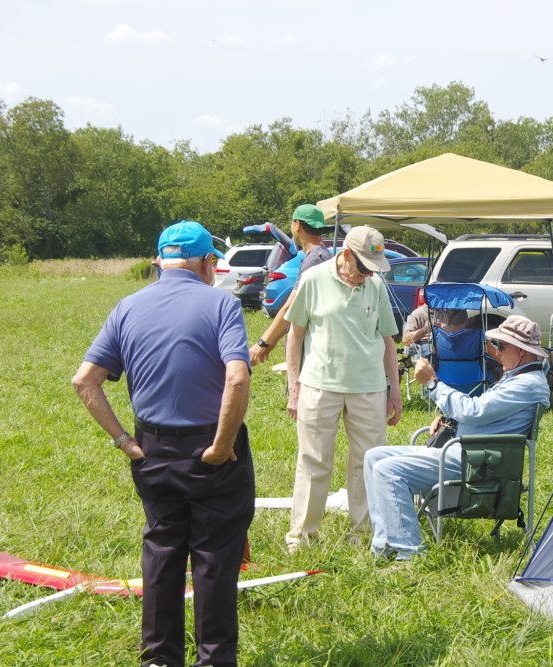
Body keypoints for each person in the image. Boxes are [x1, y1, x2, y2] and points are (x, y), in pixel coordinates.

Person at [72, 221, 254, 667]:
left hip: (150, 449)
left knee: (162, 552)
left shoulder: (128, 306)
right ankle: (213, 660)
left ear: (159, 260)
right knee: (214, 557)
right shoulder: (220, 304)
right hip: (212, 450)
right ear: (208, 262)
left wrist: (123, 441)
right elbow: (237, 375)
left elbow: (84, 381)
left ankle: (158, 658)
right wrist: (219, 446)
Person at [364, 315, 551, 561]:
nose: (495, 351)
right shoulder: (518, 378)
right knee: (373, 455)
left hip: (476, 462)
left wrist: (433, 385)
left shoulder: (526, 384)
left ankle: (409, 552)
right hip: (468, 453)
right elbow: (484, 415)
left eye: (500, 346)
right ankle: (385, 543)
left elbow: (474, 411)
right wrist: (450, 420)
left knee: (388, 470)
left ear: (521, 351)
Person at [284, 225, 403, 553]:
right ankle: (302, 538)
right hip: (320, 385)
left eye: (373, 269)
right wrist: (293, 388)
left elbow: (387, 340)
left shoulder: (375, 285)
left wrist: (395, 390)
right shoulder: (313, 279)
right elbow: (295, 336)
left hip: (369, 388)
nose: (367, 274)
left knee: (367, 463)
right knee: (314, 461)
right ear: (346, 254)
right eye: (363, 267)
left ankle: (362, 536)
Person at [249, 204, 330, 366]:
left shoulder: (314, 260)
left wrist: (263, 343)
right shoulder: (324, 255)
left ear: (297, 225)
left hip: (309, 352)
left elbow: (291, 307)